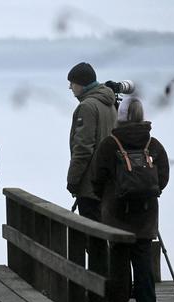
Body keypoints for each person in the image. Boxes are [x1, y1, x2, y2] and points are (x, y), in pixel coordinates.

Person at [92, 96, 170, 302]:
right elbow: (162, 176)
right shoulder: (153, 144)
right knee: (143, 255)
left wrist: (104, 196)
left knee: (118, 255)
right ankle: (147, 301)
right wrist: (152, 192)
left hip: (116, 211)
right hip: (146, 211)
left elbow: (97, 177)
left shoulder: (110, 144)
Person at [66, 62, 117, 222]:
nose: (70, 87)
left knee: (93, 237)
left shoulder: (87, 107)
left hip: (90, 185)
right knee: (106, 231)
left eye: (72, 83)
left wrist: (73, 180)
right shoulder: (108, 104)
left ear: (81, 84)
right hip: (108, 181)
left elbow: (83, 148)